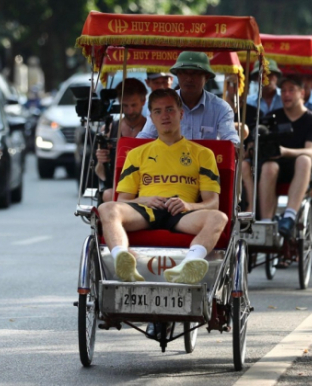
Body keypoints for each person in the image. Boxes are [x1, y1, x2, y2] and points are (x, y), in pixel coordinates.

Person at [98, 88, 228, 286]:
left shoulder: (203, 154)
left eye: (170, 110)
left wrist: (189, 206)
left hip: (182, 213)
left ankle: (189, 264)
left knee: (219, 217)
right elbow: (122, 200)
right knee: (106, 208)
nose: (164, 116)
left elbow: (213, 202)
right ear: (151, 117)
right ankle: (122, 260)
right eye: (158, 111)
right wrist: (143, 200)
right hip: (145, 209)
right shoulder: (136, 153)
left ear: (181, 113)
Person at [258, 75, 312, 238]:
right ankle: (265, 222)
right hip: (276, 167)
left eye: (291, 90)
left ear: (302, 93)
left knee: (305, 160)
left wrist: (285, 151)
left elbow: (311, 151)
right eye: (283, 91)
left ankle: (289, 216)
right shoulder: (273, 117)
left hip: (299, 169)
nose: (286, 94)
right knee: (268, 166)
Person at [138, 51, 239, 145]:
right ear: (177, 75)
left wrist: (234, 146)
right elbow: (147, 135)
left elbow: (229, 136)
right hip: (170, 162)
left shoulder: (221, 108)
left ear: (206, 77)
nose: (189, 78)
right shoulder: (162, 104)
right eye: (184, 73)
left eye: (195, 73)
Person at [95, 78, 148, 203]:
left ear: (143, 101)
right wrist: (101, 161)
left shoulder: (151, 128)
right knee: (108, 195)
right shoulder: (109, 129)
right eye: (125, 106)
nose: (129, 111)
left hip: (147, 185)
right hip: (117, 185)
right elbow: (100, 173)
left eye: (134, 105)